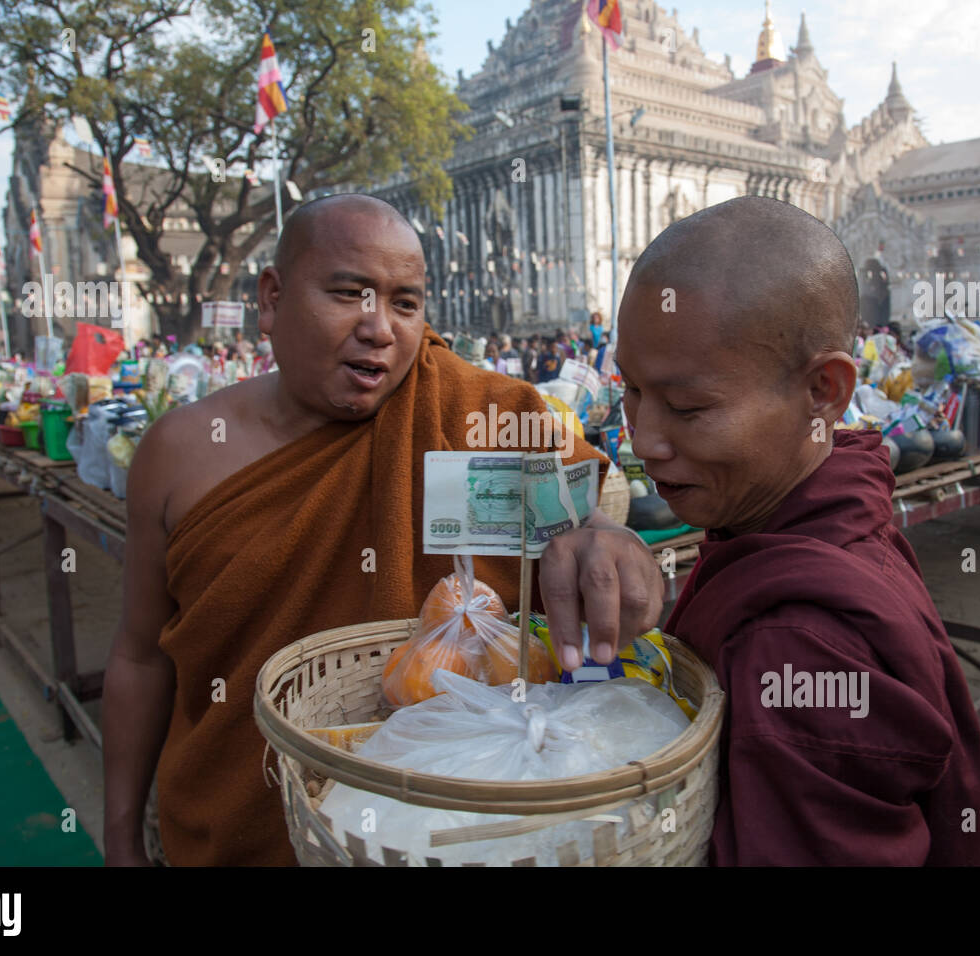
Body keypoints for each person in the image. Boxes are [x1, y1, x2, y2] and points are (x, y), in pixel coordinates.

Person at [102, 194, 661, 866]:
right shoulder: (180, 452)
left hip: (432, 836)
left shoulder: (477, 416)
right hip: (229, 828)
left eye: (405, 303)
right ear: (272, 298)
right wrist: (120, 835)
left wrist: (608, 544)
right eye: (349, 293)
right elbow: (140, 656)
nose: (380, 329)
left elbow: (582, 525)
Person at [616, 196, 980, 866]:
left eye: (686, 406)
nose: (644, 440)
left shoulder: (798, 647)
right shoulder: (809, 509)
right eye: (630, 392)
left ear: (823, 391)